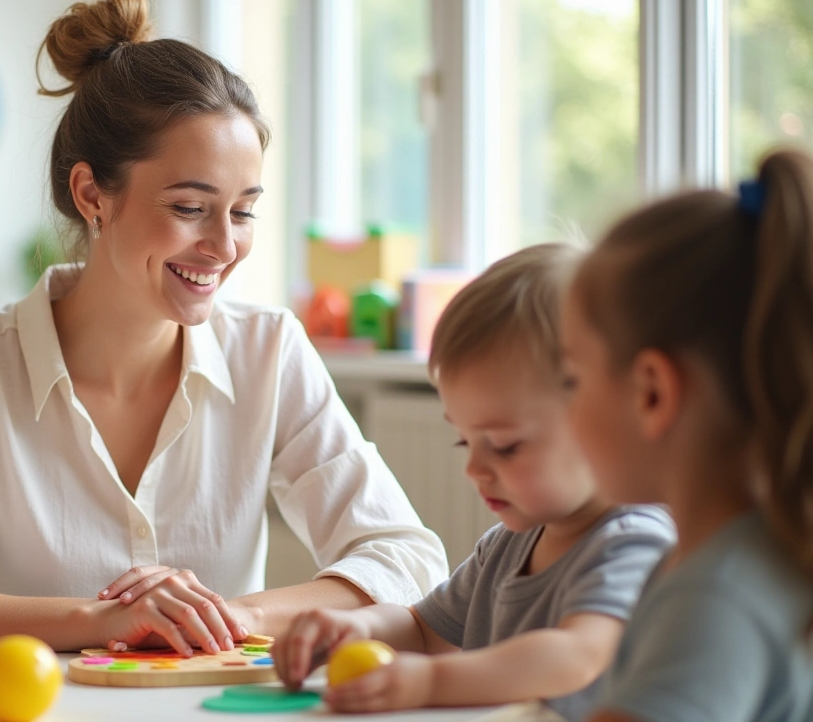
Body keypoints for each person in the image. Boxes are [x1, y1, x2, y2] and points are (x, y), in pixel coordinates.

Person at [0, 0, 447, 654]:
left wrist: (229, 616)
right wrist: (96, 621)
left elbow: (405, 557)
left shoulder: (268, 349)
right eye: (190, 207)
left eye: (243, 210)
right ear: (92, 195)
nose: (224, 245)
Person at [273, 244, 674, 719]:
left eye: (504, 446)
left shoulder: (635, 543)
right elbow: (422, 629)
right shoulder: (505, 548)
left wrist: (430, 683)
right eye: (466, 443)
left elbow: (578, 656)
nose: (474, 469)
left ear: (608, 419)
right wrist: (356, 628)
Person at [563, 149, 813, 722]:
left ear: (652, 393)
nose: (567, 409)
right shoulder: (732, 558)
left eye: (573, 378)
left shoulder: (714, 598)